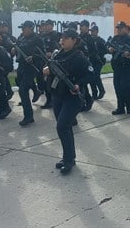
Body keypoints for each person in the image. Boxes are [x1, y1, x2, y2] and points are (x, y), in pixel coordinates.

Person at [42, 28, 94, 174]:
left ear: (74, 40)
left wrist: (78, 84)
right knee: (64, 128)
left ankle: (69, 160)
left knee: (62, 126)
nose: (62, 40)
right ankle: (68, 157)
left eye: (66, 38)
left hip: (73, 97)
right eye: (62, 38)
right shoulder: (58, 54)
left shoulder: (79, 57)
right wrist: (46, 69)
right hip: (58, 95)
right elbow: (48, 67)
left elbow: (91, 74)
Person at [13, 20, 45, 126]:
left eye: (25, 27)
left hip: (31, 67)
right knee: (18, 82)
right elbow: (16, 47)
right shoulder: (21, 37)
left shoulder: (37, 39)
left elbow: (42, 54)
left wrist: (33, 57)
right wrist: (13, 50)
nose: (22, 29)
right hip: (21, 66)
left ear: (31, 28)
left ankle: (28, 116)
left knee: (23, 90)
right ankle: (36, 91)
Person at [108, 21, 130, 115]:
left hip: (125, 66)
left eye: (120, 28)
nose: (119, 30)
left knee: (125, 87)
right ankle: (120, 107)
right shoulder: (115, 38)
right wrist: (110, 49)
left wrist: (128, 53)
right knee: (117, 87)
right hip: (116, 67)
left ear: (125, 28)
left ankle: (128, 106)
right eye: (118, 28)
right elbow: (109, 47)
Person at [38, 20, 61, 109]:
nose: (45, 27)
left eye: (47, 25)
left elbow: (60, 48)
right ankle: (49, 100)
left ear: (52, 26)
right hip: (43, 61)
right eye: (44, 25)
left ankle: (52, 100)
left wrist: (52, 53)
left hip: (53, 61)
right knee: (44, 82)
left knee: (51, 82)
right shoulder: (42, 36)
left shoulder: (57, 35)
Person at [89, 25, 107, 100]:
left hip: (98, 61)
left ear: (97, 31)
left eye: (93, 31)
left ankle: (101, 90)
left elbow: (106, 50)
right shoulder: (90, 40)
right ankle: (94, 93)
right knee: (91, 78)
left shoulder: (100, 40)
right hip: (91, 61)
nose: (92, 33)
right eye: (91, 31)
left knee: (96, 77)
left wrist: (99, 53)